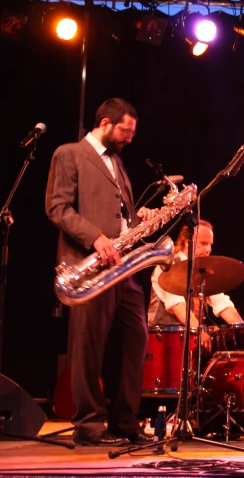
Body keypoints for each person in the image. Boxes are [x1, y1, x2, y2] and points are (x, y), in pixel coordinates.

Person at [46, 98, 156, 446]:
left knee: (134, 340)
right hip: (90, 268)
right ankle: (89, 425)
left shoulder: (118, 163)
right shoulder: (69, 153)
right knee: (88, 346)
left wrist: (142, 218)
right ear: (106, 123)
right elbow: (58, 208)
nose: (130, 138)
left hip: (124, 267)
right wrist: (95, 237)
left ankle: (125, 422)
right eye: (126, 131)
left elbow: (122, 216)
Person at [148, 219, 244, 350]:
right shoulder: (168, 266)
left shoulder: (203, 269)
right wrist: (199, 331)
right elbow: (177, 305)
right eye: (204, 243)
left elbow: (221, 303)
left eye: (210, 244)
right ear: (188, 243)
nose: (209, 249)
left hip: (192, 340)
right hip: (164, 342)